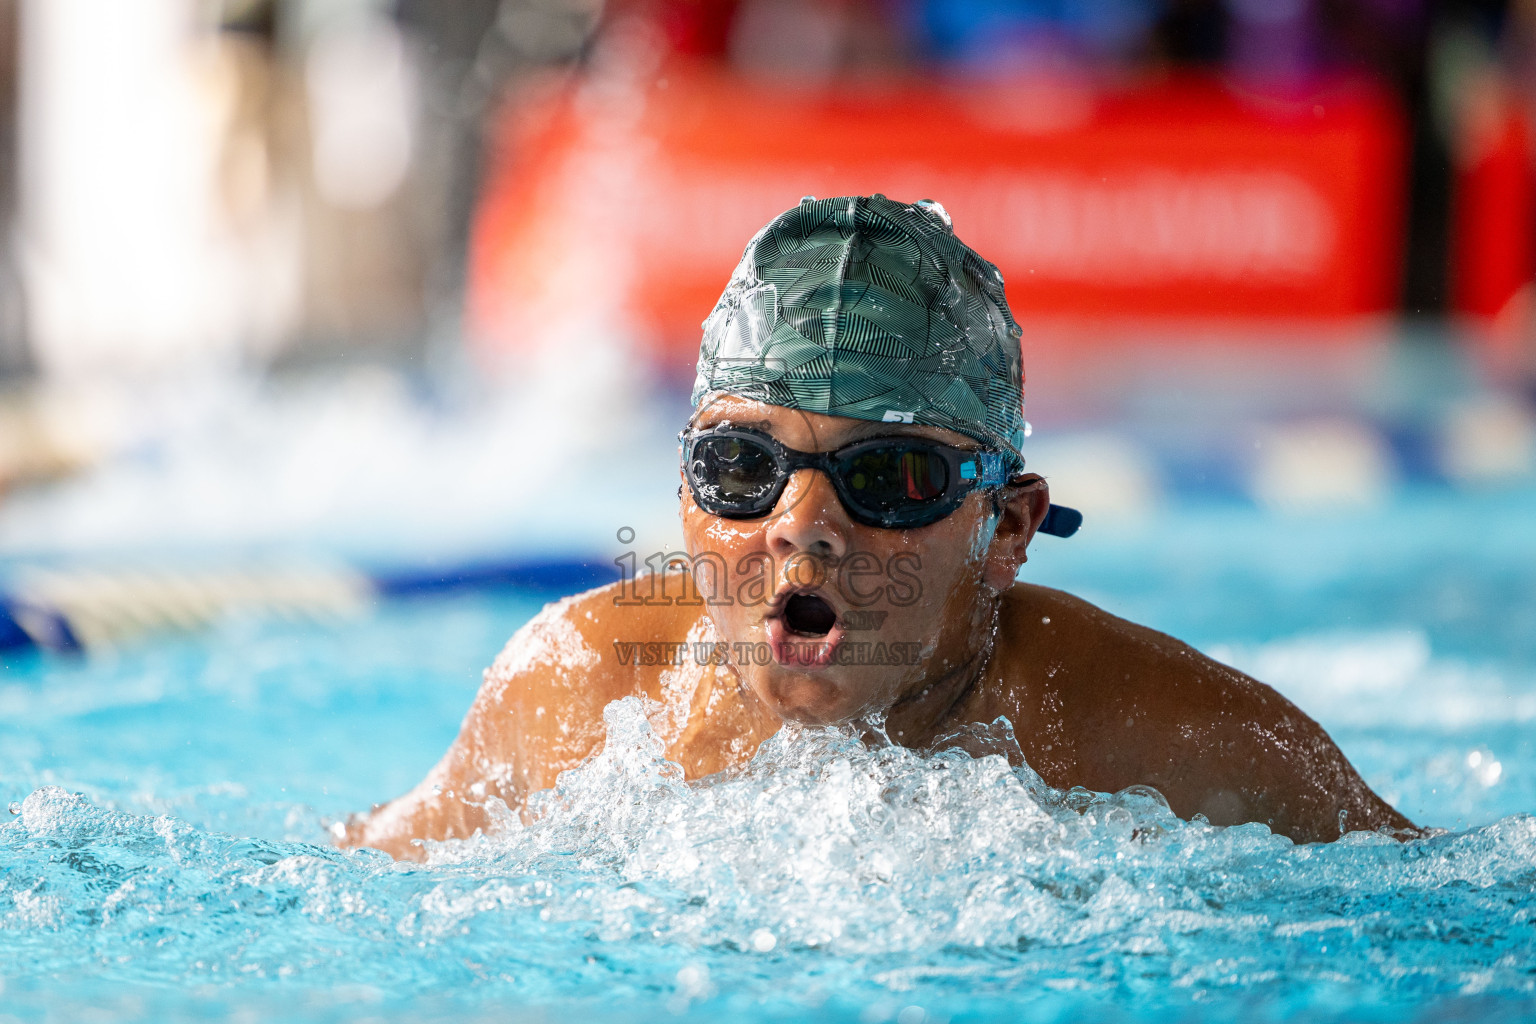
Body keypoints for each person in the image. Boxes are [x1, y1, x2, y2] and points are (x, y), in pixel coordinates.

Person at [341, 195, 1414, 859]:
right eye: (742, 467)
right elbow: (351, 878)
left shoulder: (1178, 744)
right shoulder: (575, 691)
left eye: (891, 477)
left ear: (1007, 530)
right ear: (682, 490)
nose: (801, 529)